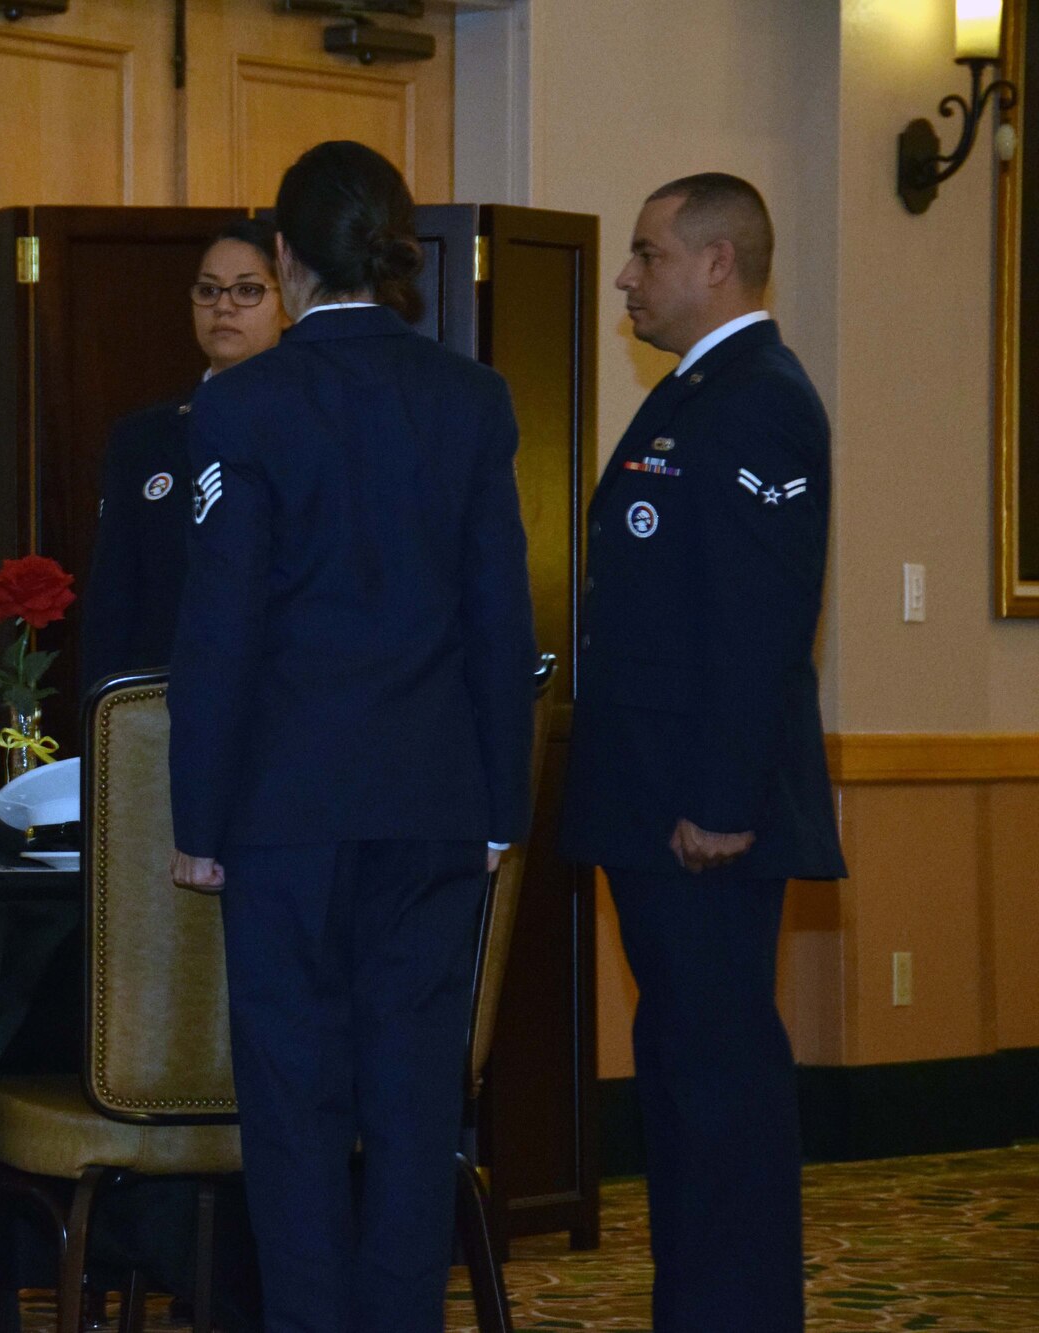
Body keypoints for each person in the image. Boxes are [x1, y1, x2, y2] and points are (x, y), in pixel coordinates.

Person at [167, 140, 536, 1331]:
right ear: (396, 249)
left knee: (294, 1112)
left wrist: (197, 819)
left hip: (283, 815)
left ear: (282, 258)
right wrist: (499, 812)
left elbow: (218, 630)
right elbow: (499, 620)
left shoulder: (242, 403)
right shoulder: (471, 400)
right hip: (433, 808)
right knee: (417, 1107)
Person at [559, 172, 845, 1332]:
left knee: (717, 1086)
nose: (625, 275)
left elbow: (756, 617)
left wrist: (721, 799)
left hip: (701, 816)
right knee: (680, 1076)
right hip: (655, 802)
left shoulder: (755, 398)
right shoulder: (695, 392)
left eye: (645, 253)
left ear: (715, 263)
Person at [79, 216, 289, 694]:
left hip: (285, 703)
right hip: (161, 700)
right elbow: (113, 599)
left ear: (288, 305)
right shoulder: (144, 438)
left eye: (248, 290)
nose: (224, 307)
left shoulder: (317, 428)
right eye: (208, 291)